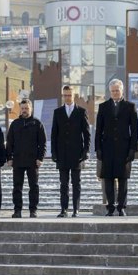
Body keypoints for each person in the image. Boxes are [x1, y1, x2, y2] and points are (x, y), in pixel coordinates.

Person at [95, 79, 138, 216]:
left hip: (124, 148)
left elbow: (135, 130)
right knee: (108, 178)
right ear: (110, 92)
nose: (115, 93)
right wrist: (98, 148)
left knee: (123, 178)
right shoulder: (103, 107)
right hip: (107, 148)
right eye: (112, 91)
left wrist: (132, 149)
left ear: (122, 91)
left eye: (117, 90)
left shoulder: (130, 106)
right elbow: (98, 130)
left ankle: (121, 207)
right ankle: (110, 207)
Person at [51, 85, 90, 217]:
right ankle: (64, 209)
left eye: (69, 95)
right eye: (65, 95)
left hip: (76, 154)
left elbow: (87, 134)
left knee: (76, 183)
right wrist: (54, 153)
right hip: (62, 154)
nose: (67, 97)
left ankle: (76, 209)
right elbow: (54, 134)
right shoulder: (57, 112)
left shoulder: (81, 111)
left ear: (74, 96)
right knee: (63, 183)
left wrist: (86, 151)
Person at [6, 99, 47, 218]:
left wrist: (40, 158)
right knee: (17, 187)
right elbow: (9, 142)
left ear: (31, 109)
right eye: (22, 108)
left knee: (33, 186)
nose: (24, 110)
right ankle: (17, 210)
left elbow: (42, 143)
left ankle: (33, 210)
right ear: (20, 109)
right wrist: (9, 157)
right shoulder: (15, 124)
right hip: (18, 160)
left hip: (32, 161)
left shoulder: (37, 123)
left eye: (26, 108)